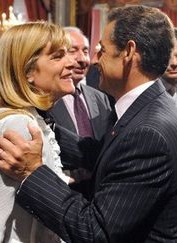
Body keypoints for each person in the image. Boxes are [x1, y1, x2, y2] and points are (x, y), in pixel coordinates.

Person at [0, 5, 177, 242]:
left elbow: (94, 231)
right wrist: (44, 130)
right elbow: (105, 154)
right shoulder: (149, 105)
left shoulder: (148, 131)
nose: (92, 59)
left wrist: (32, 172)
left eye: (101, 50)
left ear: (128, 52)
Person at [0, 22, 75, 243]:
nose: (72, 62)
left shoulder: (30, 118)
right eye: (58, 56)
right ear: (28, 71)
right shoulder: (16, 125)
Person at [48, 26, 113, 196]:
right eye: (73, 51)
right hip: (59, 194)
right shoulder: (45, 99)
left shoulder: (100, 97)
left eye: (85, 51)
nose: (82, 59)